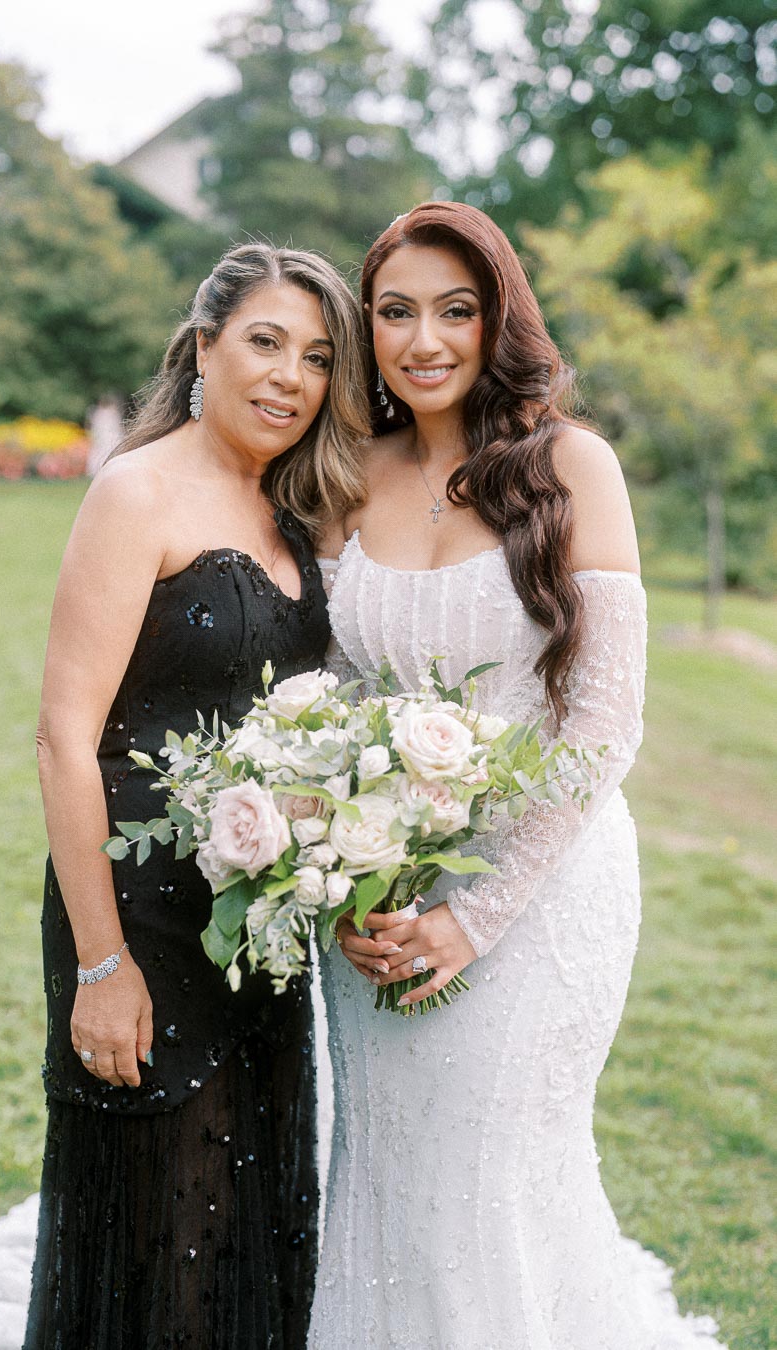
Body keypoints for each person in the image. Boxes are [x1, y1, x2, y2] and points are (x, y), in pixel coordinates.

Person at [311, 203, 724, 1348]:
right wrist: (340, 879)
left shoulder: (572, 465)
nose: (424, 340)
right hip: (385, 894)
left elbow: (605, 720)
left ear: (500, 319)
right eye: (396, 312)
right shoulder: (350, 475)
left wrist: (477, 915)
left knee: (488, 1164)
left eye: (456, 310)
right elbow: (332, 698)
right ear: (366, 328)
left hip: (542, 893)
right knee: (391, 1163)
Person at [25, 242, 368, 1349]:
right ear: (205, 344)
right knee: (155, 1242)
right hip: (139, 922)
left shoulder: (296, 507)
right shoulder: (136, 493)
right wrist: (101, 964)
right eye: (265, 342)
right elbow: (64, 739)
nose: (290, 377)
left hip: (258, 930)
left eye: (318, 358)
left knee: (252, 1230)